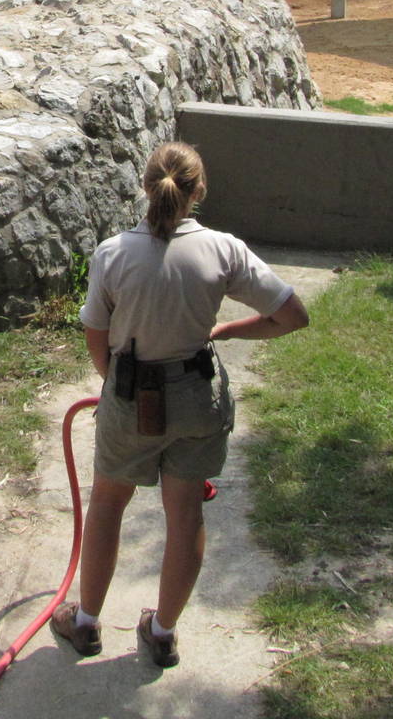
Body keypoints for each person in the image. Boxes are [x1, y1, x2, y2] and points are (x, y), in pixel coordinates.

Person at [50, 141, 309, 668]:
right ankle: (163, 632)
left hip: (129, 394)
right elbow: (292, 316)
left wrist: (112, 384)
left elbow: (95, 333)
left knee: (107, 505)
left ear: (145, 187)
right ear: (200, 191)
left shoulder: (113, 253)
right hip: (197, 398)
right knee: (185, 513)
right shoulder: (222, 249)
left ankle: (86, 625)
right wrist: (229, 330)